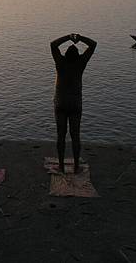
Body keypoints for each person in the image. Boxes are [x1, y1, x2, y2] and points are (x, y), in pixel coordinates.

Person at [50, 33, 97, 174]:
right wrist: (80, 37)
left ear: (65, 54)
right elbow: (93, 44)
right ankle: (76, 166)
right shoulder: (80, 64)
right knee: (75, 135)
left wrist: (68, 37)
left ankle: (61, 166)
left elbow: (53, 44)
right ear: (77, 56)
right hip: (75, 103)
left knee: (61, 135)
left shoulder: (60, 62)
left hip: (61, 102)